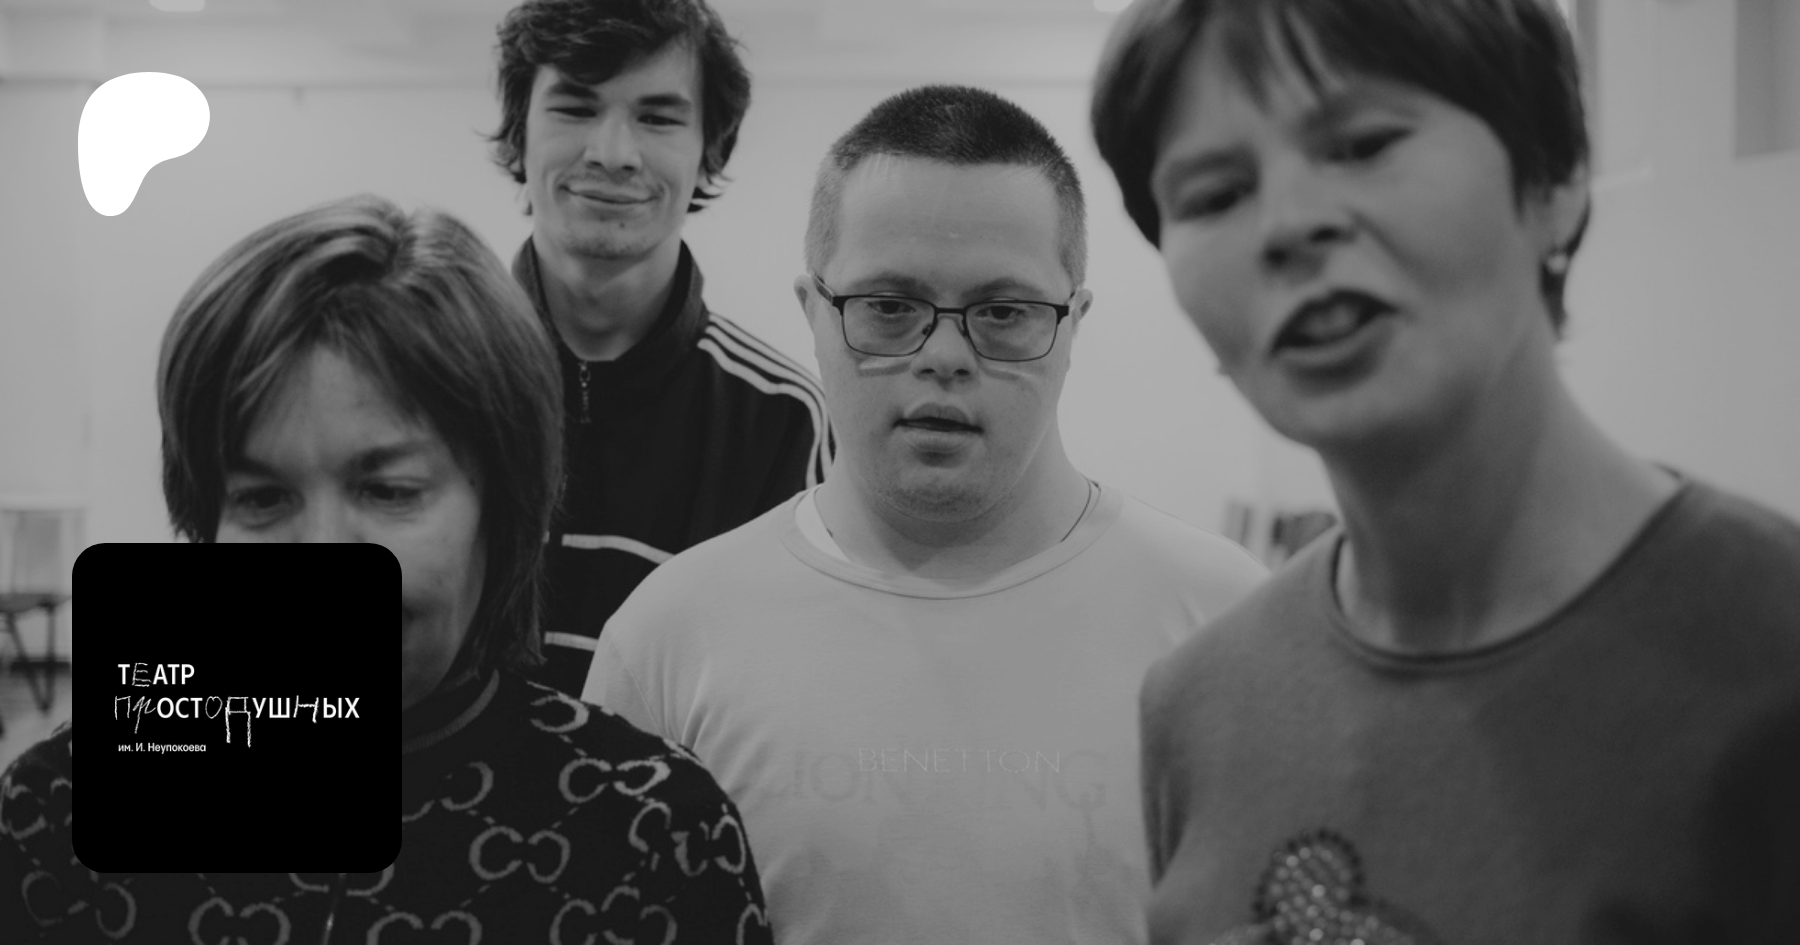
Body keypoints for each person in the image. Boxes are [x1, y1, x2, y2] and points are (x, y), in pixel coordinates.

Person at [1089, 1, 1800, 942]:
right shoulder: (1200, 702)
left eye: (1364, 145)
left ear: (1555, 180)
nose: (1288, 226)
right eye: (1214, 195)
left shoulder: (1770, 655)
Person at [581, 85, 1267, 944]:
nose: (944, 354)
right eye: (889, 307)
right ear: (813, 312)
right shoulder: (669, 639)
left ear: (1074, 323)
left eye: (1004, 313)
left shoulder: (1226, 629)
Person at [0, 196, 773, 943]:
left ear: (507, 510)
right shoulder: (56, 816)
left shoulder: (650, 838)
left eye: (389, 490)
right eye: (263, 498)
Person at [489, 0, 831, 695]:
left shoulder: (783, 418)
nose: (613, 153)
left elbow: (785, 695)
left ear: (709, 152)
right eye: (576, 108)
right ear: (520, 136)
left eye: (658, 117)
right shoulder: (427, 377)